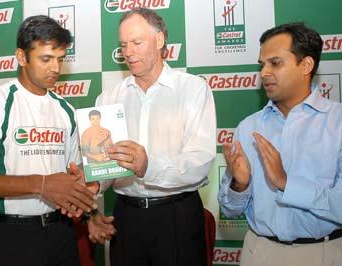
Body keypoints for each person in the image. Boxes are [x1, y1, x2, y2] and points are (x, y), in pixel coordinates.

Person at [0, 15, 98, 266]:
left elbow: (72, 179)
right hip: (11, 238)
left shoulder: (66, 109)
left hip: (62, 233)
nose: (55, 68)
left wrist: (92, 212)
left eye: (60, 59)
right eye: (46, 59)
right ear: (21, 57)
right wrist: (42, 184)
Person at [87, 7, 216, 266]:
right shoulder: (109, 98)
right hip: (126, 217)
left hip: (176, 216)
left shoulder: (192, 89)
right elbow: (106, 167)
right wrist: (92, 185)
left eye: (137, 42)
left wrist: (148, 165)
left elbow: (200, 162)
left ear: (160, 40)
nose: (129, 52)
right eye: (124, 45)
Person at [218, 22, 342, 266]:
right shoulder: (248, 127)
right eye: (262, 64)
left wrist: (286, 183)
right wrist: (239, 184)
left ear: (306, 65)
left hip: (324, 254)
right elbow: (230, 210)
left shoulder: (338, 123)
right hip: (259, 253)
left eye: (275, 63)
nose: (264, 72)